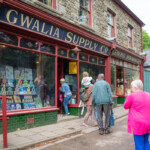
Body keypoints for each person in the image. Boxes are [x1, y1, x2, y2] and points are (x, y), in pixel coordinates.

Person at [124, 80, 150, 150]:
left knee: (139, 143)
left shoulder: (132, 96)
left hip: (138, 124)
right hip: (148, 123)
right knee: (146, 141)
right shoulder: (148, 95)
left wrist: (128, 95)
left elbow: (125, 106)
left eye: (132, 88)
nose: (131, 89)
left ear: (135, 88)